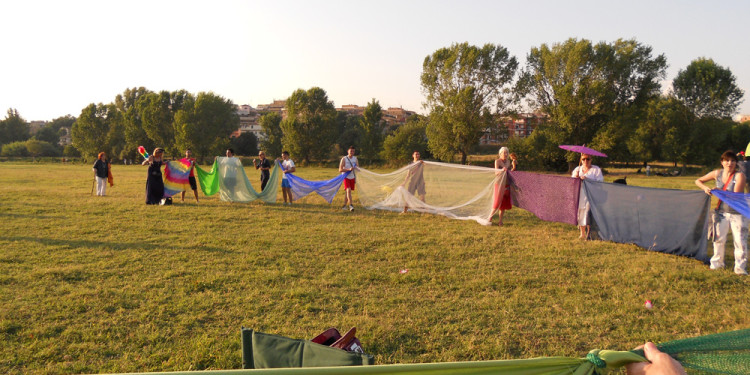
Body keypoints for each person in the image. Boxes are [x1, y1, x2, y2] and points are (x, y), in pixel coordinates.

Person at [695, 150, 748, 275]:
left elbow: (736, 196)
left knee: (740, 241)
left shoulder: (740, 176)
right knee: (718, 239)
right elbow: (698, 181)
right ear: (722, 162)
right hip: (721, 212)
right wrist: (705, 188)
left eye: (733, 161)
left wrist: (720, 191)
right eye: (727, 160)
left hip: (737, 213)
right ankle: (717, 264)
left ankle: (740, 269)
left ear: (736, 163)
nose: (730, 163)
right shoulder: (716, 173)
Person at [572, 153, 604, 239]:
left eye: (588, 159)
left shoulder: (596, 169)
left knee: (589, 212)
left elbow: (600, 182)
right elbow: (572, 183)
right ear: (581, 160)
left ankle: (589, 234)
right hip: (580, 194)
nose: (586, 161)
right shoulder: (577, 169)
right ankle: (582, 233)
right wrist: (576, 178)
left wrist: (587, 179)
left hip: (591, 195)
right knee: (580, 212)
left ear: (591, 160)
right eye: (583, 159)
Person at [488, 147, 516, 226]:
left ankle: (500, 221)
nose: (506, 154)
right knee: (497, 202)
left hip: (506, 184)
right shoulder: (497, 161)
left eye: (507, 152)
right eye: (504, 153)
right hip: (499, 184)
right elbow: (496, 173)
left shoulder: (508, 161)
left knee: (503, 204)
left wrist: (513, 166)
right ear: (500, 154)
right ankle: (490, 217)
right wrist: (502, 170)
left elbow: (510, 173)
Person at [339, 145, 359, 212]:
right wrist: (348, 169)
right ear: (348, 151)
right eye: (351, 151)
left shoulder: (355, 159)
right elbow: (340, 169)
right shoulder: (344, 159)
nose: (352, 152)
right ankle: (351, 205)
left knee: (348, 192)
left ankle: (344, 205)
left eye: (353, 151)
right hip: (346, 177)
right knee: (348, 190)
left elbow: (358, 168)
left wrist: (356, 168)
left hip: (352, 177)